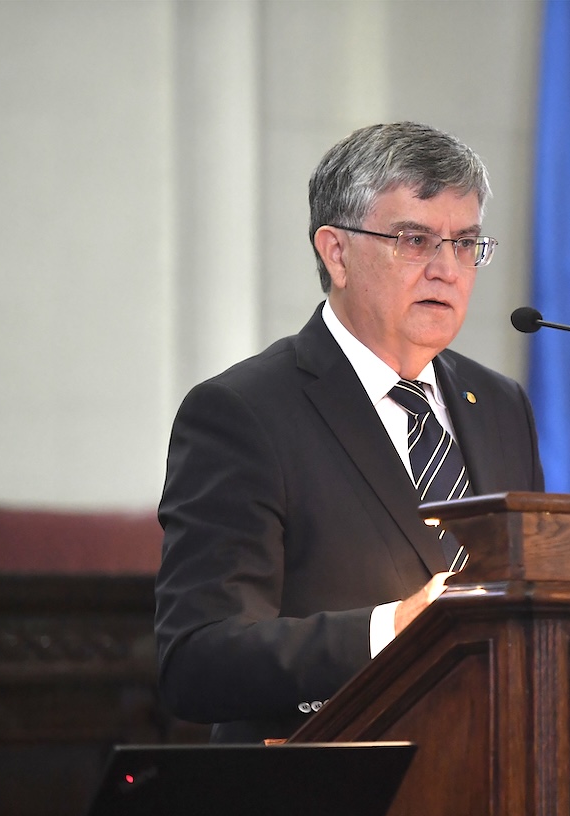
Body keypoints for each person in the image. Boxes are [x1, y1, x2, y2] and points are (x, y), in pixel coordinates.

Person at [153, 122, 544, 744]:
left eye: (466, 243)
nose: (447, 269)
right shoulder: (243, 412)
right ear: (336, 253)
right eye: (416, 240)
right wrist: (391, 629)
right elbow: (197, 660)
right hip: (331, 779)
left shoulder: (500, 404)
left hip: (498, 763)